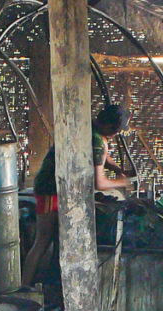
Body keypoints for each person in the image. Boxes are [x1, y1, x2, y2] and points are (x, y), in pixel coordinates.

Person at [22, 104, 134, 287]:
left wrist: (117, 169)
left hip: (57, 186)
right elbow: (100, 183)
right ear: (110, 127)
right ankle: (25, 287)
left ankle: (52, 285)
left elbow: (100, 157)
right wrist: (123, 183)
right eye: (115, 131)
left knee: (57, 242)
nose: (115, 134)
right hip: (51, 189)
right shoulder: (98, 140)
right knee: (42, 241)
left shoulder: (85, 126)